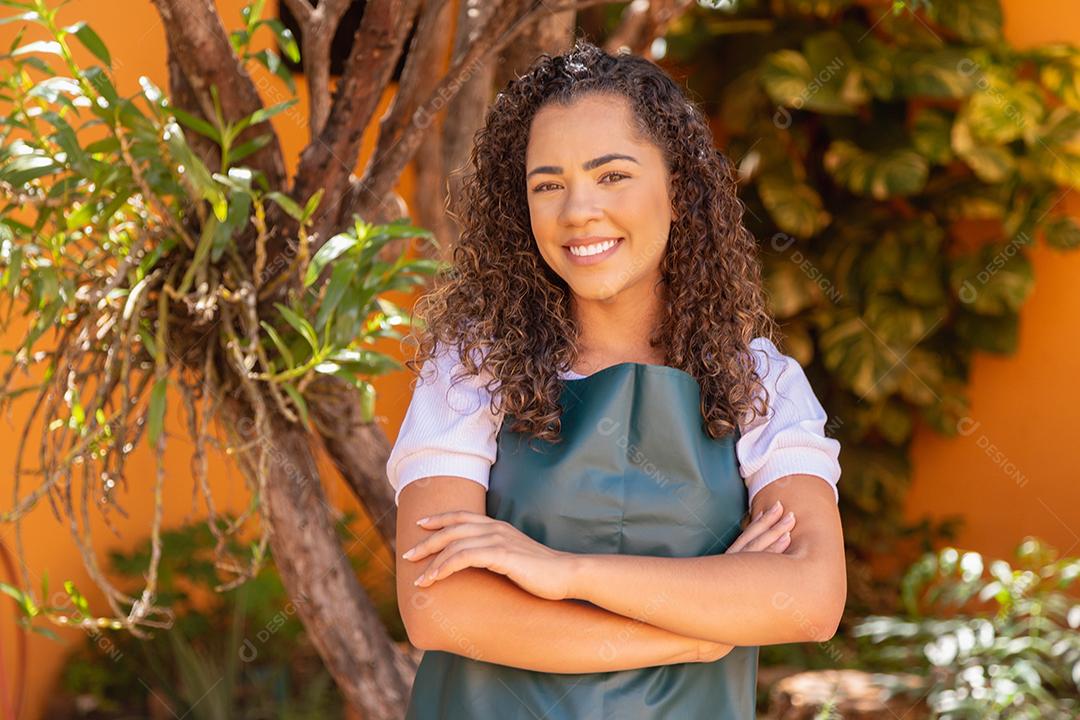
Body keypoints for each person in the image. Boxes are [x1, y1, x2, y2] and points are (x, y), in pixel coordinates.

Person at [386, 39, 846, 719]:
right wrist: (700, 633)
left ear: (680, 190)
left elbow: (808, 600)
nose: (577, 211)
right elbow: (441, 610)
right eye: (548, 184)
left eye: (612, 175)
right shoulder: (471, 372)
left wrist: (561, 572)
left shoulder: (761, 386)